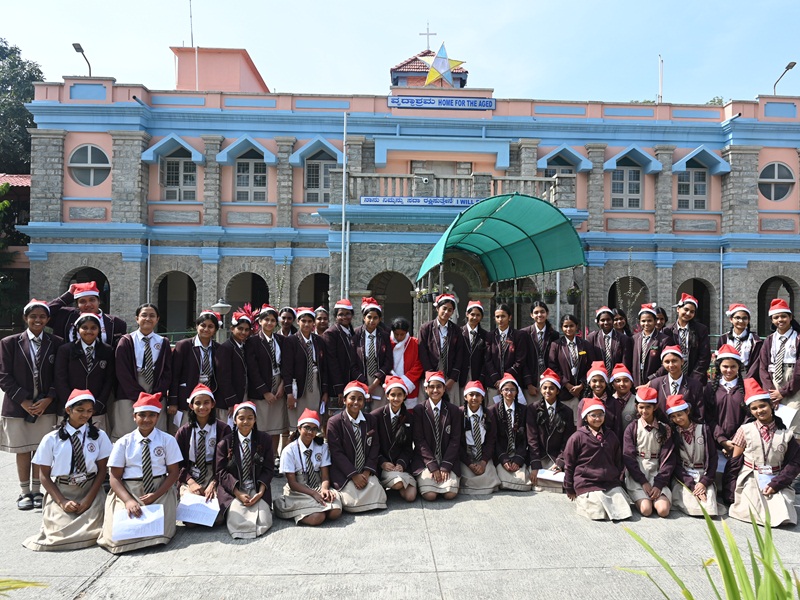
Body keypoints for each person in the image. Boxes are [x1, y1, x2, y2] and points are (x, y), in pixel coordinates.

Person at [23, 389, 112, 551]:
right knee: (57, 533)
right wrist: (62, 501)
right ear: (68, 410)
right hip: (62, 491)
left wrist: (88, 499)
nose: (85, 415)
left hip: (90, 489)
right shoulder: (52, 439)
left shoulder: (99, 436)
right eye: (80, 410)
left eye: (89, 411)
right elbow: (44, 476)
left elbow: (101, 471)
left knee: (98, 528)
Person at [97, 392, 181, 554]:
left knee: (160, 533)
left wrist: (156, 494)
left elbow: (173, 472)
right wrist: (128, 501)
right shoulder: (123, 442)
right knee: (117, 536)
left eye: (152, 415)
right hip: (129, 489)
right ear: (134, 417)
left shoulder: (167, 440)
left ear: (158, 417)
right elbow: (114, 477)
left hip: (159, 488)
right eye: (142, 415)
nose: (147, 419)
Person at [0, 299, 63, 510]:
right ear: (25, 318)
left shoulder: (56, 342)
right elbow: (4, 375)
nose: (38, 320)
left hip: (46, 407)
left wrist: (49, 398)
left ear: (48, 319)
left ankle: (38, 490)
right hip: (19, 407)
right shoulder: (10, 343)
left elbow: (60, 375)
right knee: (23, 449)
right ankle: (24, 492)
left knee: (41, 449)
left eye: (42, 316)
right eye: (33, 316)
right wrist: (23, 400)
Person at [728, 379, 800, 527]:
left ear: (772, 405)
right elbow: (734, 462)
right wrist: (730, 491)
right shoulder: (745, 430)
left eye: (763, 406)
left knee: (781, 513)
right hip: (750, 477)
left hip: (776, 477)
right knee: (750, 510)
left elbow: (795, 463)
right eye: (754, 408)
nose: (759, 411)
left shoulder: (786, 433)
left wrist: (777, 483)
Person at [563, 396, 632, 521]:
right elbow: (569, 464)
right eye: (593, 415)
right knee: (598, 511)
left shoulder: (611, 436)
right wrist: (569, 487)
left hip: (609, 482)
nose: (597, 419)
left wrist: (618, 479)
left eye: (600, 415)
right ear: (585, 417)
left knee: (623, 510)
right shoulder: (577, 437)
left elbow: (618, 461)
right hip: (587, 482)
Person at [326, 381, 387, 512]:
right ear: (344, 400)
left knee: (379, 496)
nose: (356, 402)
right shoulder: (334, 422)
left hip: (365, 470)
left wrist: (366, 471)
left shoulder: (370, 419)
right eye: (352, 398)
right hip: (345, 472)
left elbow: (375, 446)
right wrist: (354, 475)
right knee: (350, 502)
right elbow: (336, 453)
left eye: (360, 399)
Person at [215, 401, 274, 538]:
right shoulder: (225, 443)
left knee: (264, 521)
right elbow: (221, 472)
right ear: (235, 420)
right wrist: (238, 493)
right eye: (241, 418)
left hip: (257, 487)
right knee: (236, 522)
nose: (246, 421)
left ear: (255, 419)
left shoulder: (264, 439)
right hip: (234, 489)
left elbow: (268, 468)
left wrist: (260, 493)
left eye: (250, 418)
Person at [114, 303, 172, 442]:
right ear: (136, 318)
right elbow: (122, 371)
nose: (148, 318)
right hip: (130, 390)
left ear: (157, 319)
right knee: (126, 430)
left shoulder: (163, 342)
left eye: (152, 316)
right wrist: (138, 395)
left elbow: (167, 371)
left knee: (156, 431)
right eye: (144, 315)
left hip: (155, 390)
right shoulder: (126, 341)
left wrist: (156, 394)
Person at [274, 408, 342, 525]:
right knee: (317, 518)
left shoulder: (322, 447)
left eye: (314, 429)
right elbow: (292, 483)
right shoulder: (289, 450)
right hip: (298, 489)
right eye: (307, 428)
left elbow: (325, 476)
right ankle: (285, 507)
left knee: (335, 512)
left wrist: (324, 489)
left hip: (318, 486)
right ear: (299, 428)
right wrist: (313, 494)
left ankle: (312, 508)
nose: (310, 432)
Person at [175, 384, 231, 526]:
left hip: (214, 472)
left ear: (213, 404)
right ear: (191, 406)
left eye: (206, 402)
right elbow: (178, 462)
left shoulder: (223, 429)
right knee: (191, 521)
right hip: (191, 473)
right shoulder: (184, 431)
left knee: (217, 518)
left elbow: (227, 461)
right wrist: (190, 482)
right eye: (197, 403)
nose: (202, 407)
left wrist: (214, 483)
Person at [170, 310, 234, 432]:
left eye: (210, 326)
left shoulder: (219, 349)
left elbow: (224, 376)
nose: (206, 329)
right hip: (187, 395)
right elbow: (175, 375)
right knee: (185, 431)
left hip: (210, 395)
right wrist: (173, 401)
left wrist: (230, 401)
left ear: (215, 329)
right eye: (203, 325)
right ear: (197, 326)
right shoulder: (183, 346)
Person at [54, 313, 114, 433]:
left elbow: (109, 379)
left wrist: (98, 405)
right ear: (77, 330)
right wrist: (71, 405)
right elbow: (60, 379)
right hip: (70, 410)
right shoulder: (66, 350)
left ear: (99, 330)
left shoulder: (107, 350)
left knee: (95, 445)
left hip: (97, 409)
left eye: (93, 328)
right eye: (85, 328)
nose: (89, 331)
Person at [245, 304, 287, 469]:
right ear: (260, 321)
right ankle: (258, 456)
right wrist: (264, 391)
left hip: (278, 384)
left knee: (276, 424)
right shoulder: (253, 341)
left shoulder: (281, 340)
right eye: (266, 320)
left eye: (272, 320)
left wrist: (283, 384)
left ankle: (273, 456)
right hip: (261, 387)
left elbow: (286, 365)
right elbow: (252, 369)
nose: (270, 323)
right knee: (262, 424)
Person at [623, 387, 676, 518]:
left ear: (655, 407)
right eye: (641, 407)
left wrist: (658, 484)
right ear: (636, 407)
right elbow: (628, 457)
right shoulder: (632, 428)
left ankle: (657, 497)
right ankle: (643, 498)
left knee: (663, 511)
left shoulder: (664, 429)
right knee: (646, 510)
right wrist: (643, 481)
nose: (644, 411)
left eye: (648, 407)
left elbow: (668, 459)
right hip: (637, 473)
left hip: (657, 472)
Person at [665, 393, 720, 517]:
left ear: (688, 411)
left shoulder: (704, 430)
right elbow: (676, 463)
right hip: (684, 477)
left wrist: (704, 482)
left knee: (709, 506)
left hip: (703, 475)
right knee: (692, 503)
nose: (677, 419)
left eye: (680, 414)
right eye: (673, 416)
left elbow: (713, 457)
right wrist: (691, 484)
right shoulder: (674, 434)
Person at [412, 371, 462, 501]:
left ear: (444, 389)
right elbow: (419, 441)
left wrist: (445, 466)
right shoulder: (419, 410)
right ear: (426, 389)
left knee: (450, 494)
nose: (435, 390)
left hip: (448, 459)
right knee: (430, 495)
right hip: (426, 461)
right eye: (432, 387)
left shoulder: (453, 410)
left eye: (439, 386)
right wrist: (433, 466)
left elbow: (455, 440)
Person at [706, 344, 746, 503]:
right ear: (718, 367)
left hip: (740, 444)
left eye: (733, 367)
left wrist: (736, 441)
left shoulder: (744, 389)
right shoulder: (710, 388)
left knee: (732, 493)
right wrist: (722, 440)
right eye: (725, 366)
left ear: (739, 367)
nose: (729, 370)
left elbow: (749, 417)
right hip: (717, 442)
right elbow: (708, 417)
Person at [527, 368, 575, 492]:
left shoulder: (567, 411)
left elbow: (567, 441)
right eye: (545, 388)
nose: (548, 391)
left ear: (558, 391)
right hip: (539, 456)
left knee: (562, 482)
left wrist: (560, 462)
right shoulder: (532, 409)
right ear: (541, 389)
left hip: (556, 456)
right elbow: (532, 439)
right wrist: (535, 464)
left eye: (552, 388)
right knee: (531, 481)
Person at [757, 298, 800, 437]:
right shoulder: (770, 340)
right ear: (772, 320)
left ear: (790, 317)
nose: (780, 320)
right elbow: (763, 366)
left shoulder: (797, 338)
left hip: (794, 384)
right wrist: (771, 391)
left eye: (783, 316)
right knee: (776, 423)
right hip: (774, 382)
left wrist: (785, 391)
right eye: (776, 317)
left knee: (794, 425)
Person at [282, 307, 328, 433]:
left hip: (315, 383)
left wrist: (325, 391)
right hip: (298, 385)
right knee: (298, 420)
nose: (307, 324)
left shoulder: (319, 341)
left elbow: (324, 368)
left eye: (309, 321)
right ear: (298, 322)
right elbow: (287, 369)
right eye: (304, 321)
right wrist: (289, 392)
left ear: (313, 323)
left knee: (313, 416)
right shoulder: (291, 341)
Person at [371, 376, 417, 502]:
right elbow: (372, 446)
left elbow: (409, 447)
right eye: (393, 395)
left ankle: (394, 482)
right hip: (383, 464)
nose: (396, 398)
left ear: (404, 397)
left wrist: (402, 463)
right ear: (387, 396)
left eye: (399, 395)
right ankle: (384, 483)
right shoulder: (376, 416)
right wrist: (382, 462)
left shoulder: (409, 417)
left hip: (400, 465)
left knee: (411, 496)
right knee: (398, 483)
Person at [418, 293, 466, 406]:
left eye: (450, 310)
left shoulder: (457, 330)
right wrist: (431, 376)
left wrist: (452, 379)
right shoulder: (426, 328)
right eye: (444, 308)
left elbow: (460, 355)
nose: (446, 312)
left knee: (451, 407)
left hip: (449, 375)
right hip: (430, 374)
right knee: (429, 406)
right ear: (437, 308)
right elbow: (422, 353)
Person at [47, 281, 127, 348]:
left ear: (99, 301)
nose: (88, 304)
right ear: (77, 304)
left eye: (92, 300)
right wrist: (68, 296)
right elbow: (42, 312)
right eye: (82, 301)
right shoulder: (65, 316)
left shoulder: (116, 323)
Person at [489, 373, 531, 491]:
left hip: (518, 453)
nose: (509, 393)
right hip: (501, 454)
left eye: (512, 390)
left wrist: (518, 459)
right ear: (501, 392)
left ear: (517, 392)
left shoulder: (524, 410)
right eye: (506, 389)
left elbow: (526, 438)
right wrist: (503, 458)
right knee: (503, 481)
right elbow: (493, 439)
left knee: (523, 483)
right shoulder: (493, 411)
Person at [548, 314, 593, 422]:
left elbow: (591, 366)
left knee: (581, 423)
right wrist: (567, 384)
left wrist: (581, 385)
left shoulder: (585, 345)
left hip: (582, 392)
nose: (568, 329)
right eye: (565, 326)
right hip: (564, 392)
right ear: (562, 327)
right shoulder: (556, 345)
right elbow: (553, 367)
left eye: (571, 326)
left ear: (576, 326)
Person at [459, 380, 501, 496]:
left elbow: (491, 440)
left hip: (483, 455)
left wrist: (483, 462)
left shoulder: (489, 414)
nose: (474, 398)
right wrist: (469, 463)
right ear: (465, 397)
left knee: (490, 476)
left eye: (478, 395)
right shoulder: (459, 414)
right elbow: (456, 442)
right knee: (467, 478)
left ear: (482, 398)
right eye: (471, 394)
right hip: (466, 456)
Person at [662, 293, 711, 385]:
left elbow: (704, 356)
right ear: (678, 309)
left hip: (696, 377)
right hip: (673, 376)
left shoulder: (701, 329)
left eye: (692, 312)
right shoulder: (667, 331)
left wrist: (694, 378)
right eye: (686, 309)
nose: (688, 313)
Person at [321, 299, 360, 415]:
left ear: (352, 315)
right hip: (336, 383)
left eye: (347, 314)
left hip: (350, 380)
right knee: (336, 416)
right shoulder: (331, 333)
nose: (344, 317)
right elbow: (331, 362)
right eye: (340, 314)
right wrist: (339, 388)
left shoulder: (351, 332)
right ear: (335, 317)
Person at [353, 297, 392, 410]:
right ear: (364, 318)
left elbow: (388, 361)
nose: (372, 320)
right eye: (369, 317)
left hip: (379, 380)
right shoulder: (355, 334)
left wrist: (374, 384)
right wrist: (364, 384)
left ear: (379, 319)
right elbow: (352, 362)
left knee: (379, 411)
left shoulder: (385, 335)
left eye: (375, 318)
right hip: (360, 379)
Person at [650, 345, 706, 423]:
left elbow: (699, 414)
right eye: (667, 362)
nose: (671, 365)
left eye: (674, 361)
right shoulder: (655, 384)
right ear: (662, 364)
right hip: (662, 430)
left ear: (682, 361)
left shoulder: (695, 386)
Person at [484, 304, 529, 398]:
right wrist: (496, 378)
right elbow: (487, 359)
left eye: (503, 316)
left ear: (510, 317)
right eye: (497, 317)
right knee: (493, 410)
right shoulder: (490, 336)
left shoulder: (518, 335)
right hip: (494, 383)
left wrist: (506, 377)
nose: (500, 319)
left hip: (513, 382)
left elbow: (520, 360)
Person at [523, 301, 560, 403]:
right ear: (531, 315)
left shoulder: (554, 335)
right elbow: (523, 361)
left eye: (542, 312)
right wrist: (529, 384)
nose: (539, 315)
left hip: (549, 381)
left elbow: (555, 360)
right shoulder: (525, 334)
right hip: (531, 381)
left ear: (547, 313)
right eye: (536, 312)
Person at [586, 306, 633, 374]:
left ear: (612, 320)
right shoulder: (591, 338)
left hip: (617, 377)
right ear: (598, 322)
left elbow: (625, 362)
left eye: (608, 319)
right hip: (598, 378)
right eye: (602, 320)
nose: (606, 322)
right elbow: (590, 361)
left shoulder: (623, 339)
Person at [389, 317, 424, 409]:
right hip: (391, 381)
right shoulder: (387, 343)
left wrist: (405, 381)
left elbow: (419, 364)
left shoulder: (415, 343)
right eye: (396, 334)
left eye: (402, 334)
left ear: (407, 332)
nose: (399, 337)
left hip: (410, 383)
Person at [222, 311, 252, 416]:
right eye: (240, 329)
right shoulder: (226, 348)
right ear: (232, 329)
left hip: (243, 393)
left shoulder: (245, 346)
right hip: (229, 400)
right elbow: (224, 377)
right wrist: (231, 401)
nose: (243, 332)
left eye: (246, 330)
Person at [632, 303, 669, 387]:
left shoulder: (664, 340)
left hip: (655, 382)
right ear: (639, 321)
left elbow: (665, 364)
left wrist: (653, 378)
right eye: (643, 321)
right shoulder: (634, 339)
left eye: (649, 321)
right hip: (636, 382)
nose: (646, 324)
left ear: (655, 321)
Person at [718, 303, 761, 374]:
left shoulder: (755, 340)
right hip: (728, 373)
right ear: (731, 319)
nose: (741, 321)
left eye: (744, 318)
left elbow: (756, 362)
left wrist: (749, 378)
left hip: (747, 374)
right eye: (737, 318)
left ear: (749, 320)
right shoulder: (724, 338)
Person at [460, 301, 489, 394]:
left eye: (478, 315)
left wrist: (482, 376)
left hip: (478, 376)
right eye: (472, 314)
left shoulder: (485, 335)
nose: (475, 318)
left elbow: (486, 358)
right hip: (461, 376)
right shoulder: (458, 332)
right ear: (467, 314)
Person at [609, 364, 637, 440]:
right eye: (618, 381)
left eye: (626, 380)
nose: (622, 384)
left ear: (631, 383)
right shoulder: (608, 402)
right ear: (613, 385)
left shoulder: (637, 401)